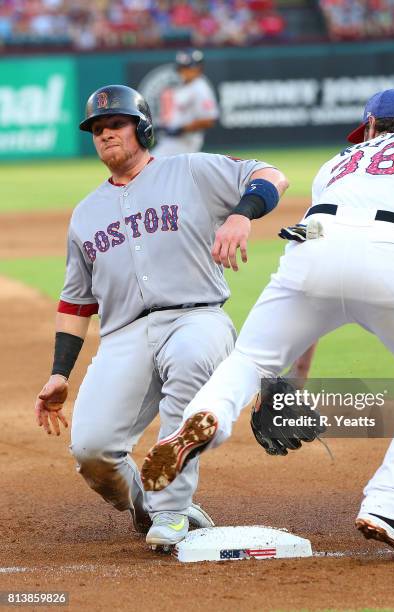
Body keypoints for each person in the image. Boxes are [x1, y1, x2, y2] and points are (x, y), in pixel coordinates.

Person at [141, 88, 394, 560]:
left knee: (249, 359)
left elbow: (317, 249)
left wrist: (293, 378)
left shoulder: (339, 162)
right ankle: (388, 503)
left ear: (369, 127)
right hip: (388, 249)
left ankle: (199, 421)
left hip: (310, 252)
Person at [33, 84, 288, 552]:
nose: (105, 134)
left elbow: (271, 175)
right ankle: (148, 503)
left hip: (197, 318)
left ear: (143, 128)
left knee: (191, 361)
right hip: (123, 335)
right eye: (97, 129)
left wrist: (241, 215)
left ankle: (171, 510)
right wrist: (58, 373)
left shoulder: (190, 170)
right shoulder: (86, 214)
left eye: (116, 124)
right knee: (92, 454)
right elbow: (75, 302)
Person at [152, 49, 219, 156]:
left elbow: (209, 119)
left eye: (187, 67)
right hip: (172, 141)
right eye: (182, 67)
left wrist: (181, 129)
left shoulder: (200, 88)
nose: (183, 71)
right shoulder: (186, 86)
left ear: (198, 68)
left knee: (151, 166)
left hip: (185, 142)